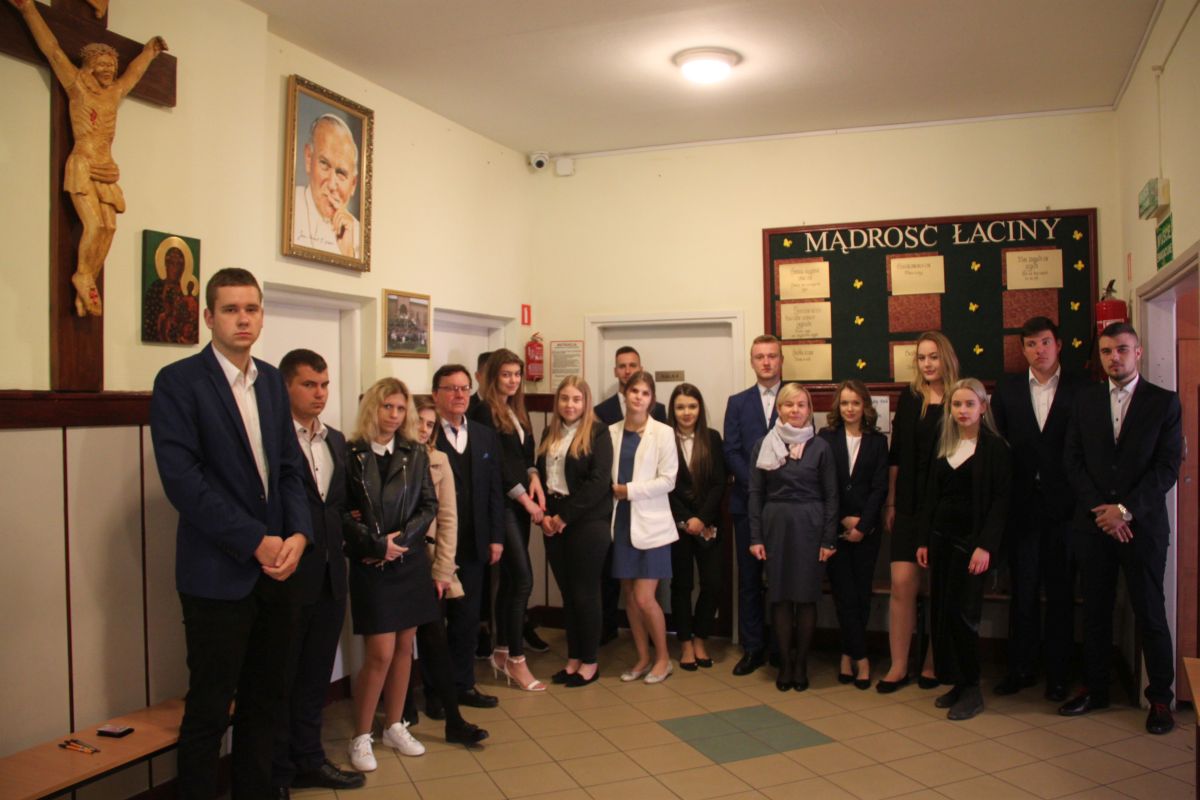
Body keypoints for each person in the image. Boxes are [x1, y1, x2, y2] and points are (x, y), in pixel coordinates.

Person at [150, 268, 311, 800]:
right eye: (230, 309)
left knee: (266, 702)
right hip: (218, 572)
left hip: (278, 569)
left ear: (262, 315)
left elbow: (289, 468)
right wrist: (253, 539)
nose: (243, 319)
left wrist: (298, 534)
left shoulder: (270, 381)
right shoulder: (179, 382)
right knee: (209, 709)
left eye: (251, 309)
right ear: (208, 317)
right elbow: (184, 483)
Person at [1059, 323, 1183, 735]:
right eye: (1107, 351)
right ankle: (1095, 689)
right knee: (1096, 610)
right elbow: (1072, 460)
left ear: (1138, 352)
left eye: (1123, 350)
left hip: (1142, 527)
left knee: (1150, 611)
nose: (1115, 357)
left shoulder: (1164, 402)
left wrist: (1125, 511)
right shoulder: (1085, 400)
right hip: (1094, 525)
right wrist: (1103, 511)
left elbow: (1167, 468)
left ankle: (1161, 698)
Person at [10, 0, 168, 316]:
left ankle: (87, 282)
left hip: (107, 168)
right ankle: (83, 275)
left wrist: (150, 52)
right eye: (102, 64)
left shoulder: (114, 93)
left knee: (109, 228)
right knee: (94, 226)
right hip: (83, 162)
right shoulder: (76, 87)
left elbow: (134, 73)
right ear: (90, 66)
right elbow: (53, 50)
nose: (109, 70)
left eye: (112, 65)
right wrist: (28, 9)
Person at [272, 350, 363, 793]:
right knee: (281, 677)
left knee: (315, 675)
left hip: (331, 575)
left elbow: (338, 507)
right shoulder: (273, 439)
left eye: (324, 384)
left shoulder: (335, 440)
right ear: (286, 386)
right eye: (309, 385)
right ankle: (277, 771)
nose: (320, 394)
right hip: (289, 575)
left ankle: (309, 758)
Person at [342, 379, 440, 771]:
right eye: (388, 407)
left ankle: (394, 725)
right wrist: (376, 545)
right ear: (373, 408)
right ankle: (361, 735)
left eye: (401, 409)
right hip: (371, 563)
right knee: (380, 653)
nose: (395, 415)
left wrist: (400, 541)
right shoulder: (351, 452)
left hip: (408, 560)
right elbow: (340, 511)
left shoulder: (414, 452)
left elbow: (429, 505)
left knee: (404, 648)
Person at [990, 317, 1086, 702]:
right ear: (1023, 349)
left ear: (1058, 344)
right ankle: (1021, 668)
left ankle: (1059, 674)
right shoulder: (1008, 389)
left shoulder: (1082, 388)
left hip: (1066, 510)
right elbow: (998, 447)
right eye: (1031, 344)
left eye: (1045, 342)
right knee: (1024, 592)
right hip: (1022, 509)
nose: (1039, 350)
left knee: (1061, 595)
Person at [916, 378, 1010, 721]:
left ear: (983, 407)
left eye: (970, 404)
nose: (963, 410)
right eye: (957, 404)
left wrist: (985, 546)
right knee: (943, 612)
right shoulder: (945, 443)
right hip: (941, 541)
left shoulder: (996, 448)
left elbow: (1001, 502)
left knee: (964, 615)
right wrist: (924, 540)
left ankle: (972, 687)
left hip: (972, 546)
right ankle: (956, 681)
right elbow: (931, 495)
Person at [404, 396, 490, 746]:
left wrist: (442, 568)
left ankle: (451, 714)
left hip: (431, 560)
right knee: (398, 641)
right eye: (419, 422)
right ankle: (402, 707)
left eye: (430, 424)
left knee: (435, 634)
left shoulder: (438, 460)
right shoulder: (389, 457)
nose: (424, 430)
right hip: (395, 561)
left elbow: (448, 518)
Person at [878, 331, 960, 693]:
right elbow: (896, 455)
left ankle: (932, 661)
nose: (927, 364)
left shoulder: (960, 397)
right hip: (909, 505)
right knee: (901, 584)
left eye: (933, 357)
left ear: (946, 358)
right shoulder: (910, 398)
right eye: (921, 358)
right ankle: (898, 665)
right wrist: (892, 502)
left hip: (945, 507)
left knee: (938, 588)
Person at [749, 383, 838, 692]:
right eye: (789, 405)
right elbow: (755, 493)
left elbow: (831, 496)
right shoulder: (763, 444)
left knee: (806, 597)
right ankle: (785, 662)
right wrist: (756, 537)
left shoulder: (820, 447)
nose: (795, 410)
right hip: (776, 528)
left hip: (811, 527)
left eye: (801, 405)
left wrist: (828, 539)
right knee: (781, 596)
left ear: (810, 410)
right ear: (779, 409)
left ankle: (801, 663)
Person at [470, 349, 547, 691]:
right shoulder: (483, 410)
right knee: (523, 580)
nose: (513, 380)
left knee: (512, 582)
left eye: (517, 374)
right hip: (502, 505)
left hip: (519, 502)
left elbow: (523, 454)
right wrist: (526, 501)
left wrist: (534, 476)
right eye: (506, 374)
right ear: (492, 377)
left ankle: (501, 650)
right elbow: (496, 465)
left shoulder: (515, 408)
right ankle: (517, 659)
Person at [431, 364, 504, 710]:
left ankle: (464, 685)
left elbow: (494, 490)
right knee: (434, 623)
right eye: (451, 388)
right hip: (435, 546)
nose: (459, 395)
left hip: (475, 542)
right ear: (436, 395)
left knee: (467, 620)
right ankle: (436, 694)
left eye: (464, 389)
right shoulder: (426, 434)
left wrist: (496, 537)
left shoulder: (484, 435)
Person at [536, 376, 614, 686]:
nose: (570, 405)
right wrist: (545, 515)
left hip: (587, 522)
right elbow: (543, 477)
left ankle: (590, 662)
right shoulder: (549, 432)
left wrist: (564, 517)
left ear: (586, 402)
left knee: (586, 594)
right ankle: (573, 659)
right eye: (565, 398)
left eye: (576, 399)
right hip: (554, 521)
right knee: (568, 595)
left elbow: (599, 482)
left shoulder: (598, 432)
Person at [609, 371, 679, 683]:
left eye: (645, 393)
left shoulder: (663, 432)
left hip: (652, 525)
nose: (638, 397)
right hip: (622, 522)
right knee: (629, 596)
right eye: (634, 391)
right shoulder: (611, 431)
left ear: (652, 399)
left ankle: (663, 658)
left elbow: (668, 480)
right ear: (625, 394)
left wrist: (630, 491)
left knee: (644, 597)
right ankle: (642, 657)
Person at [819, 380, 889, 690]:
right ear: (838, 406)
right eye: (845, 403)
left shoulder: (877, 442)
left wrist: (862, 525)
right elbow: (824, 483)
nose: (850, 408)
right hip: (835, 528)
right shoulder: (825, 438)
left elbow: (879, 487)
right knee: (843, 594)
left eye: (856, 403)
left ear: (865, 407)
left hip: (867, 531)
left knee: (861, 595)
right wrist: (843, 519)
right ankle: (862, 658)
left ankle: (848, 654)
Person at [724, 334, 783, 675]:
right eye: (760, 356)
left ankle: (780, 646)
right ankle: (753, 647)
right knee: (749, 579)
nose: (766, 362)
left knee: (780, 579)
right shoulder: (737, 403)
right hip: (746, 503)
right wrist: (755, 485)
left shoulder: (795, 398)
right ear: (752, 361)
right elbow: (731, 450)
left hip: (785, 504)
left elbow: (804, 447)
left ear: (781, 360)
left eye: (772, 356)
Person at [666, 383, 726, 671]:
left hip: (708, 524)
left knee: (713, 583)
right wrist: (685, 518)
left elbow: (719, 483)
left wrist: (701, 518)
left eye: (692, 406)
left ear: (700, 408)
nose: (686, 412)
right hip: (675, 525)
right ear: (673, 410)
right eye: (680, 407)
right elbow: (664, 485)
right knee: (681, 585)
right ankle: (685, 643)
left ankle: (701, 638)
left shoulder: (712, 438)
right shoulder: (664, 438)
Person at [291, 114, 361, 258]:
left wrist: (348, 253)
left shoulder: (359, 233)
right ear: (308, 159)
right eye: (324, 164)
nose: (331, 185)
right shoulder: (290, 205)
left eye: (341, 173)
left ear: (353, 184)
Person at [593, 346, 668, 425]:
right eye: (622, 366)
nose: (627, 371)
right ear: (615, 372)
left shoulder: (658, 409)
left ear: (641, 370)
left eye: (632, 365)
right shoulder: (600, 411)